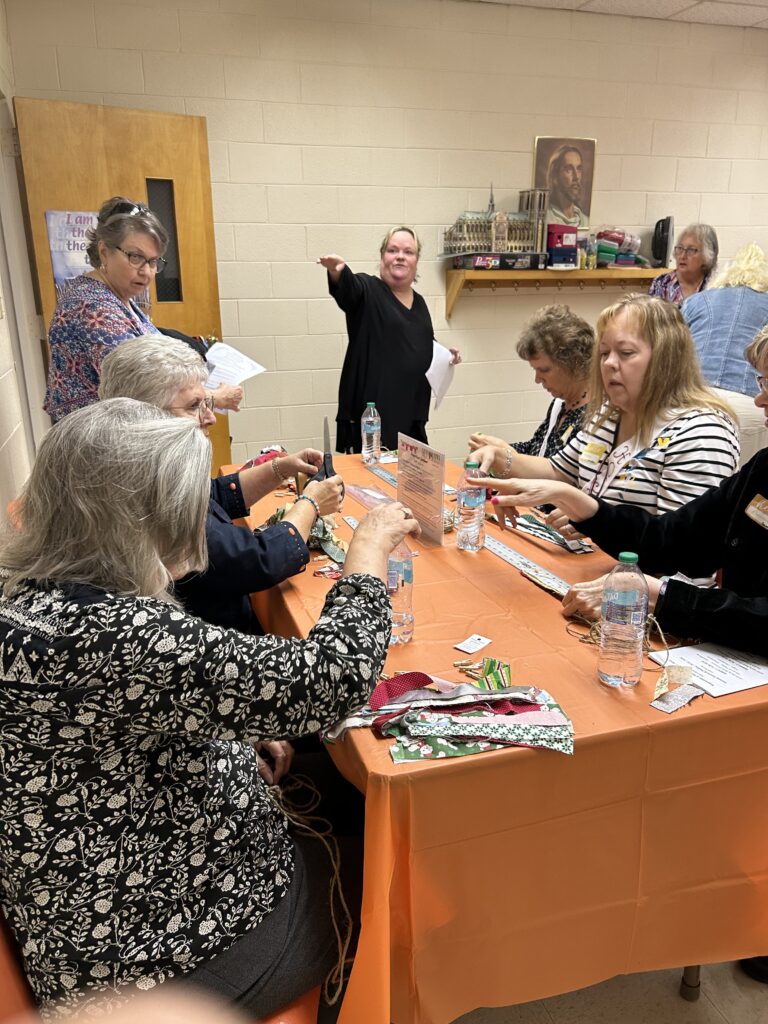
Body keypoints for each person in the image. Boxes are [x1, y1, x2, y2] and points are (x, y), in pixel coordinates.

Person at [0, 398, 419, 1018]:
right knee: (400, 876)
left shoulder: (31, 605)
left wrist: (228, 739)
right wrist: (371, 548)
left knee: (336, 786)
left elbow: (123, 723)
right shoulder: (123, 634)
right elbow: (332, 682)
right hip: (165, 956)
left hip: (95, 918)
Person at [99, 335, 343, 638]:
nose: (210, 418)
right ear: (146, 414)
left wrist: (280, 468)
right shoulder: (150, 495)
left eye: (207, 403)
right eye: (193, 406)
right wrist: (312, 504)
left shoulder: (129, 464)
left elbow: (212, 496)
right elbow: (258, 560)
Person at [471, 294, 740, 540]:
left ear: (665, 359)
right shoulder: (608, 415)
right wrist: (500, 456)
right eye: (604, 353)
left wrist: (595, 524)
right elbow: (558, 471)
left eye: (625, 353)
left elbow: (678, 550)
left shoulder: (702, 435)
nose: (609, 363)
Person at [43, 196, 242, 422]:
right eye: (135, 257)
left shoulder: (118, 297)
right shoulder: (91, 309)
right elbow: (143, 390)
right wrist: (215, 397)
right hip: (106, 446)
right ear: (104, 252)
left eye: (153, 261)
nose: (147, 272)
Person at [318, 227, 461, 453]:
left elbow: (418, 344)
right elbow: (348, 290)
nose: (400, 256)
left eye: (408, 251)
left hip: (410, 416)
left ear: (416, 260)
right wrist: (339, 272)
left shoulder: (421, 303)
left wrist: (445, 356)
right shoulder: (368, 290)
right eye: (392, 250)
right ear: (382, 256)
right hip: (374, 417)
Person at [468, 304, 594, 460]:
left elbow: (562, 475)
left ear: (573, 363)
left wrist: (507, 455)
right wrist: (496, 449)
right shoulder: (560, 404)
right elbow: (537, 449)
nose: (537, 379)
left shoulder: (595, 418)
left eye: (544, 370)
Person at [682, 242, 768, 464]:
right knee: (748, 490)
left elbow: (673, 352)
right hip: (753, 403)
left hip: (694, 399)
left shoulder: (695, 301)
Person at [649, 223, 718, 305]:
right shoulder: (662, 283)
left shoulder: (715, 286)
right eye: (680, 248)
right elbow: (652, 316)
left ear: (707, 256)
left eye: (691, 250)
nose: (682, 256)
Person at [545, 145, 587, 227]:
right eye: (569, 169)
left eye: (579, 169)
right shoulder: (546, 219)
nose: (576, 177)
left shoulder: (585, 221)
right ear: (555, 176)